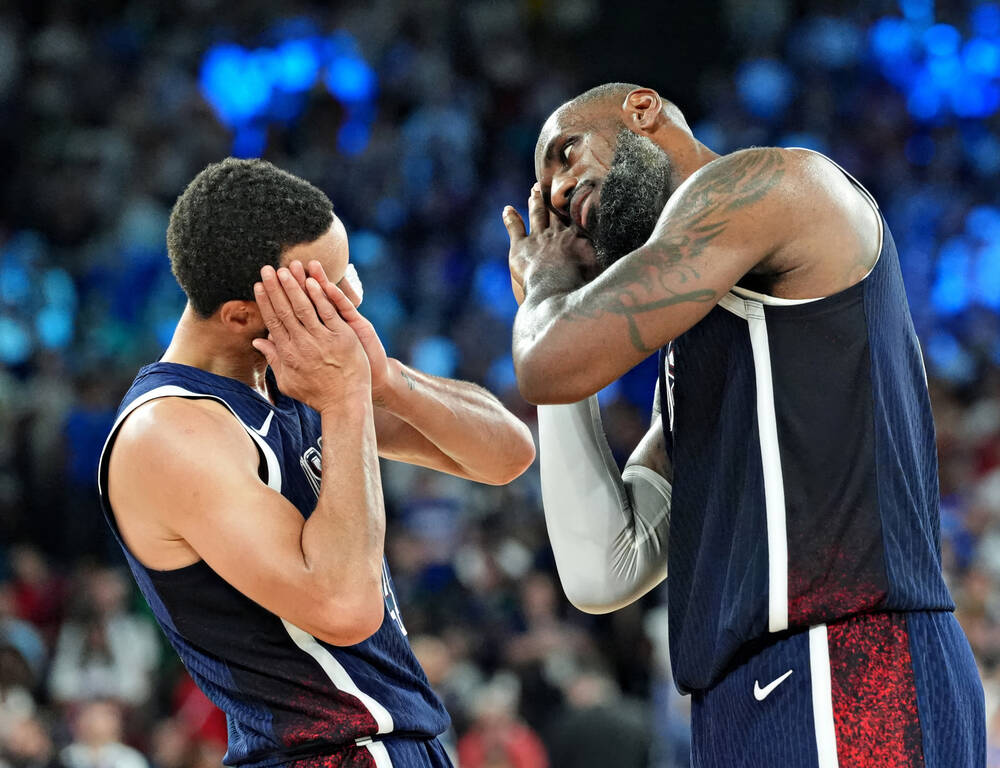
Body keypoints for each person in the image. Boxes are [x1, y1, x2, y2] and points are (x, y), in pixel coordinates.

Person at [503, 83, 985, 767]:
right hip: (741, 700)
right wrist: (558, 315)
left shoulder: (773, 183)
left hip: (842, 662)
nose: (553, 194)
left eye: (564, 155)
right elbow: (604, 568)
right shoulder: (705, 349)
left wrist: (549, 293)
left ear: (642, 111)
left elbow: (548, 360)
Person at [98, 157, 536, 768]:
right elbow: (344, 608)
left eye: (347, 271)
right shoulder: (171, 431)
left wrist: (386, 381)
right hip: (328, 753)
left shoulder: (290, 380)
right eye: (326, 287)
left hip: (397, 743)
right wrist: (346, 397)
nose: (353, 295)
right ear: (242, 315)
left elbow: (509, 453)